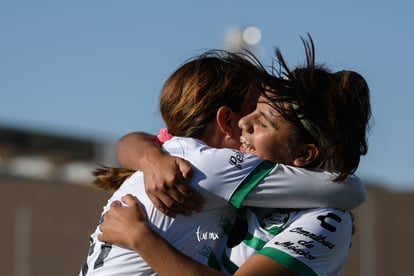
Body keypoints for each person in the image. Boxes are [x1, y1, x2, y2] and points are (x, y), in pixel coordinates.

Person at [81, 38, 367, 276]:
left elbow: (129, 143)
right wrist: (141, 238)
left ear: (304, 153)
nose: (246, 124)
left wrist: (142, 236)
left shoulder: (183, 158)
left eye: (262, 121)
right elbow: (348, 189)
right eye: (251, 110)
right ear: (226, 120)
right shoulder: (210, 168)